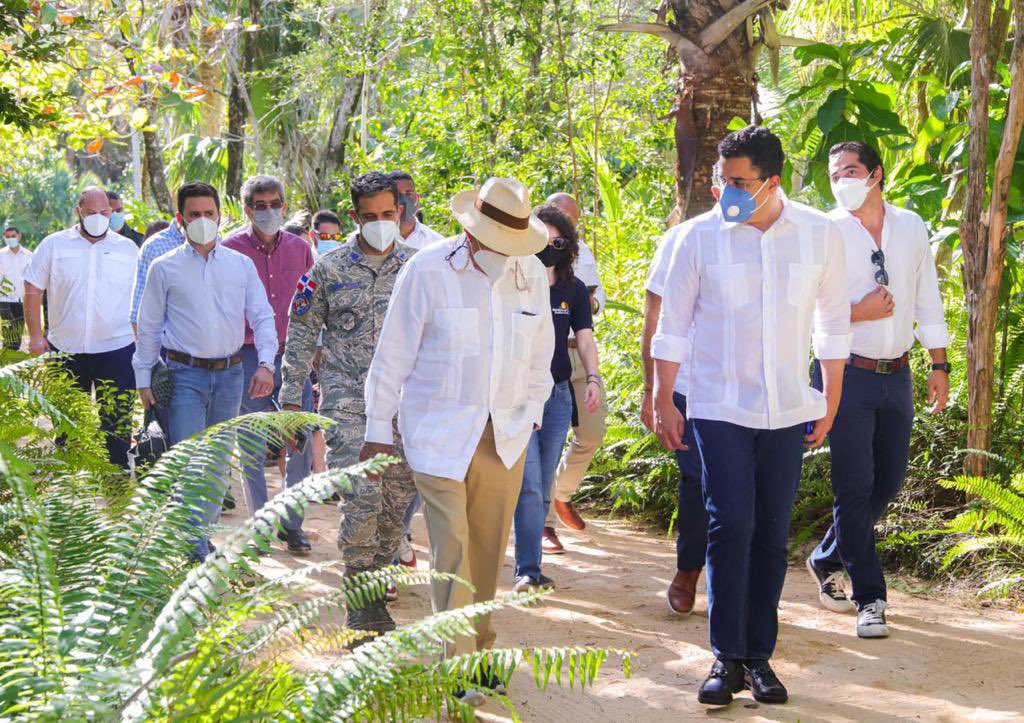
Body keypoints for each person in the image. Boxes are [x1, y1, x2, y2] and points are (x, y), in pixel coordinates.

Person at [652, 126, 851, 706]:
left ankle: (757, 658)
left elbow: (832, 323)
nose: (726, 192)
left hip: (787, 407)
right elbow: (672, 325)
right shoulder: (698, 237)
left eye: (739, 182)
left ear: (772, 182)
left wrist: (831, 398)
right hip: (718, 405)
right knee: (730, 522)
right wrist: (662, 397)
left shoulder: (818, 234)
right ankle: (724, 657)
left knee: (769, 532)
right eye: (723, 180)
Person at [361, 177, 553, 705]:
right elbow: (392, 355)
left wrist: (533, 413)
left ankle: (480, 650)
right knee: (453, 547)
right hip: (437, 432)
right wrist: (378, 429)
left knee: (488, 550)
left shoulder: (530, 274)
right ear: (471, 231)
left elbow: (542, 353)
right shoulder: (427, 270)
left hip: (505, 434)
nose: (503, 253)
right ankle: (459, 664)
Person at [805, 141, 949, 638]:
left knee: (887, 482)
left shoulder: (910, 226)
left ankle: (827, 557)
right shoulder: (823, 231)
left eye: (850, 171)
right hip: (845, 373)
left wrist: (939, 362)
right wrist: (858, 312)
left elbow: (927, 295)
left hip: (898, 373)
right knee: (854, 487)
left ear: (876, 175)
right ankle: (871, 598)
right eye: (834, 174)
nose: (841, 181)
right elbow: (805, 309)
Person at [281, 171, 418, 632]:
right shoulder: (328, 269)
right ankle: (361, 601)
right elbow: (301, 335)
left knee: (395, 503)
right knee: (362, 497)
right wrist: (291, 403)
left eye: (388, 214)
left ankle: (375, 585)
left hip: (405, 403)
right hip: (347, 398)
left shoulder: (419, 268)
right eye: (369, 216)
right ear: (355, 218)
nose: (380, 223)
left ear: (400, 211)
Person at [133, 181, 277, 561]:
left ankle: (200, 536)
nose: (202, 220)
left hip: (231, 376)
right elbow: (149, 327)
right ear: (180, 219)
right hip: (184, 376)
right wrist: (143, 378)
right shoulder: (165, 267)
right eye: (194, 214)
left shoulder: (240, 265)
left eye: (208, 213)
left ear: (220, 216)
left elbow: (262, 317)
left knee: (216, 463)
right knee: (188, 461)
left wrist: (266, 364)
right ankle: (193, 546)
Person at [223, 175, 316, 554]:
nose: (268, 211)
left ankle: (292, 524)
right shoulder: (230, 250)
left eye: (275, 204)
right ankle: (260, 526)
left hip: (293, 354)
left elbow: (312, 302)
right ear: (247, 210)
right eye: (260, 206)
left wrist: (315, 354)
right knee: (251, 444)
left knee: (301, 444)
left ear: (284, 206)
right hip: (247, 357)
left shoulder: (301, 249)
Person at [512, 203, 600, 592]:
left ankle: (531, 561)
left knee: (544, 482)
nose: (549, 247)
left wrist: (593, 378)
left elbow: (585, 338)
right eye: (541, 239)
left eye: (557, 242)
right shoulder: (512, 282)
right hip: (519, 397)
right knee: (530, 483)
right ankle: (528, 570)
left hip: (558, 396)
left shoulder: (573, 289)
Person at [23, 187, 139, 468]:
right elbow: (33, 287)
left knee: (117, 422)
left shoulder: (128, 249)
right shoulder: (54, 245)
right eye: (91, 212)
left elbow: (142, 297)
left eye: (104, 212)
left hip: (117, 349)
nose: (98, 218)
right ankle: (72, 480)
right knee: (68, 423)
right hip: (65, 350)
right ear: (79, 212)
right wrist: (36, 337)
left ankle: (116, 478)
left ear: (111, 213)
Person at [641, 218, 708, 616]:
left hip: (749, 388)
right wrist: (652, 389)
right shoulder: (680, 238)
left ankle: (736, 584)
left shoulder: (779, 235)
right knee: (697, 479)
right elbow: (654, 314)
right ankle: (689, 569)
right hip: (686, 382)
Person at [542, 192, 608, 552]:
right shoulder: (530, 252)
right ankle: (545, 525)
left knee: (593, 432)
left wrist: (583, 299)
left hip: (578, 351)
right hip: (543, 358)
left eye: (571, 218)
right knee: (547, 443)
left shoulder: (583, 254)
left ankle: (561, 493)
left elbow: (596, 302)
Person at [388, 170, 445, 249]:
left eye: (408, 194)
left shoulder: (437, 242)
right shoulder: (375, 241)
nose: (403, 200)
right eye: (397, 195)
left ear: (417, 199)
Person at [1, 226, 33, 351]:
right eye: (8, 237)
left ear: (19, 236)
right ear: (4, 237)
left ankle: (12, 355)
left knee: (17, 331)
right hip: (3, 299)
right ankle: (7, 354)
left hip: (21, 299)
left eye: (13, 236)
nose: (10, 239)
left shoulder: (29, 255)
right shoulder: (1, 255)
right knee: (8, 331)